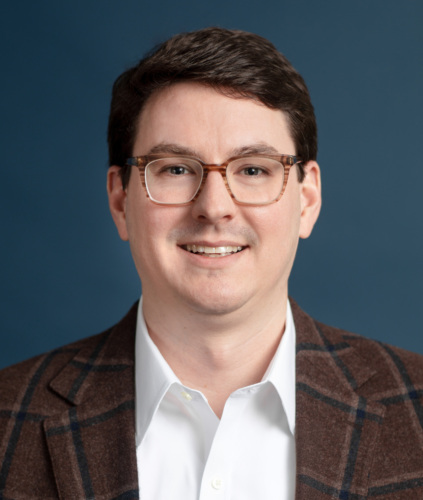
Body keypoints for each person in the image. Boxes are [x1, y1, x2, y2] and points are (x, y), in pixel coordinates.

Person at [1, 27, 422, 500]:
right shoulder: (8, 417)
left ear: (307, 200)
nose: (214, 207)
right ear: (120, 200)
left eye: (254, 170)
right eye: (176, 169)